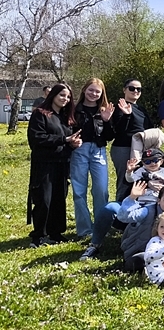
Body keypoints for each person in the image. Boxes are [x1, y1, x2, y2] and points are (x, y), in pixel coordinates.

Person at [27, 83, 81, 247]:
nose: (65, 99)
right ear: (53, 95)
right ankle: (39, 235)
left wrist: (74, 143)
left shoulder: (66, 117)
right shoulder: (40, 114)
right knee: (44, 199)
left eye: (68, 97)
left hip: (62, 163)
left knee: (59, 198)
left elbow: (70, 138)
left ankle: (55, 233)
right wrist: (64, 140)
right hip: (44, 164)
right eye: (62, 95)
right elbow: (37, 139)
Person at [70, 78, 115, 239]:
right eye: (91, 90)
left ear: (102, 93)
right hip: (79, 151)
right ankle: (84, 229)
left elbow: (110, 136)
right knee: (79, 191)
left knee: (101, 190)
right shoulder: (74, 109)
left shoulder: (104, 110)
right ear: (84, 90)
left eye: (97, 91)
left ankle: (101, 226)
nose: (93, 94)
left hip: (98, 150)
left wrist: (107, 121)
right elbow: (68, 130)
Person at [110, 79, 154, 202]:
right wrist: (127, 115)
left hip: (141, 149)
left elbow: (149, 128)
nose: (135, 91)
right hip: (124, 148)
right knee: (125, 181)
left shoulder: (141, 109)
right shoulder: (119, 107)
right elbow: (118, 130)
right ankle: (120, 211)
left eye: (138, 89)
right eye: (132, 88)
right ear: (124, 89)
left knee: (139, 179)